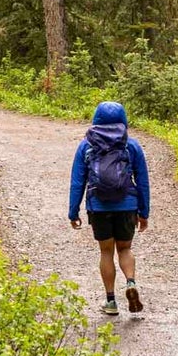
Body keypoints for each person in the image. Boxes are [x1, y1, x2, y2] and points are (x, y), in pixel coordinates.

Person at [69, 101, 151, 316]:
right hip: (127, 206)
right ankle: (131, 282)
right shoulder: (131, 145)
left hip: (99, 207)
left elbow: (78, 182)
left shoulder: (86, 146)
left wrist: (73, 211)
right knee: (125, 249)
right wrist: (144, 212)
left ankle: (111, 301)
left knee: (106, 252)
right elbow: (142, 181)